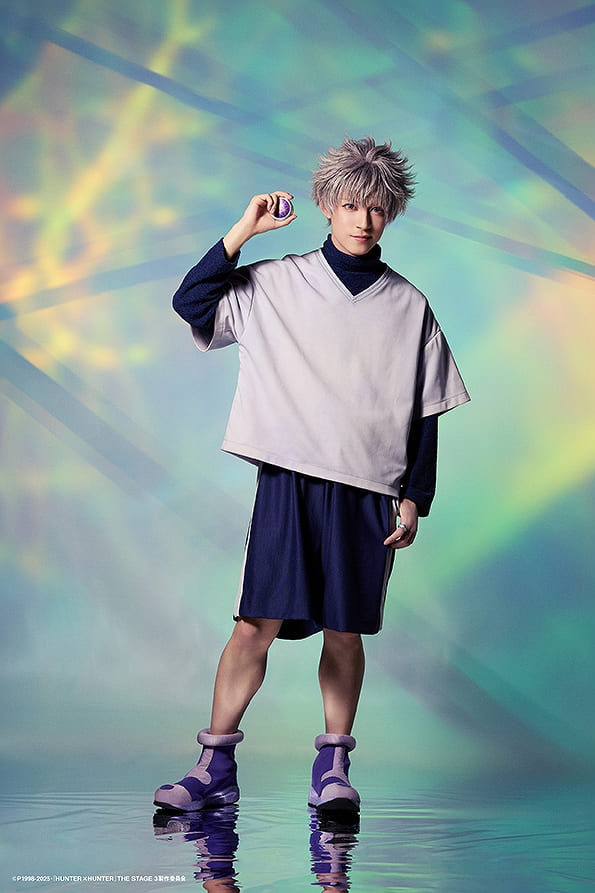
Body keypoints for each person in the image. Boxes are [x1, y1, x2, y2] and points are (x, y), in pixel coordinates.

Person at [154, 136, 470, 815]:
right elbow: (192, 301)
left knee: (344, 630)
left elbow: (426, 410)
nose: (363, 220)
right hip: (289, 481)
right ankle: (213, 766)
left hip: (368, 489)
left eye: (377, 209)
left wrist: (414, 498)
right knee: (254, 624)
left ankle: (333, 767)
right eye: (351, 205)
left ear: (391, 215)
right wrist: (243, 230)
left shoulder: (408, 305)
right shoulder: (274, 282)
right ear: (327, 205)